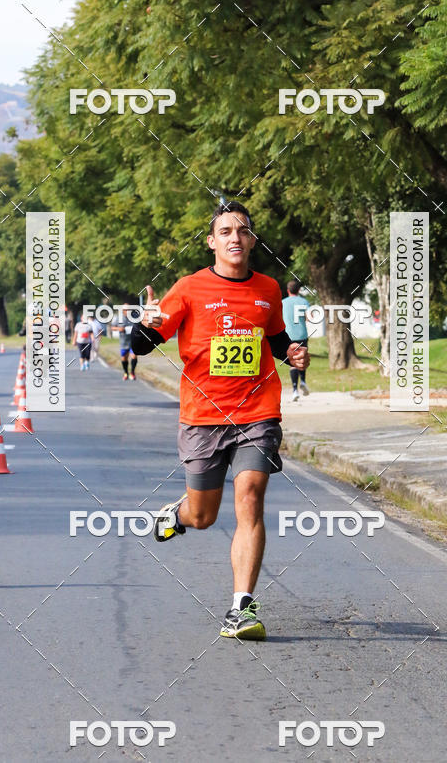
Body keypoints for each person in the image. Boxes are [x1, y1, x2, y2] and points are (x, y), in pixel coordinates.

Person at [131, 201, 309, 641]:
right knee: (203, 516)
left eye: (243, 230)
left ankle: (240, 609)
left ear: (252, 239)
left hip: (257, 412)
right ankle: (177, 514)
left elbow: (275, 336)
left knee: (250, 495)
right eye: (225, 231)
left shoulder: (268, 288)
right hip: (203, 417)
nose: (235, 237)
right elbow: (142, 346)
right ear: (212, 242)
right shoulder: (189, 288)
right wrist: (145, 324)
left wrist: (291, 352)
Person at [281, 280, 310, 401]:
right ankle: (303, 381)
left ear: (288, 291)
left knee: (293, 361)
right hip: (301, 334)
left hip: (289, 335)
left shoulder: (282, 302)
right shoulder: (304, 302)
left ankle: (294, 390)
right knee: (302, 358)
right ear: (298, 290)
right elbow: (309, 318)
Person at [117, 305, 138, 381]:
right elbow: (112, 327)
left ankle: (132, 372)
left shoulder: (134, 317)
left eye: (129, 309)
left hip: (133, 341)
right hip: (124, 342)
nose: (127, 311)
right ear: (122, 311)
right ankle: (126, 372)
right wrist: (120, 329)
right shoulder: (118, 318)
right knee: (124, 358)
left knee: (134, 356)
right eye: (126, 310)